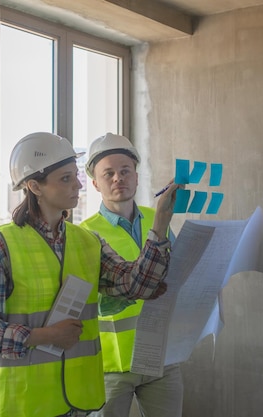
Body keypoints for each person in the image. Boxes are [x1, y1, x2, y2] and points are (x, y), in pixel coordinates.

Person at [0, 132, 181, 417]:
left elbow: (135, 285)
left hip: (76, 402)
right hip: (23, 403)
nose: (79, 185)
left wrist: (160, 223)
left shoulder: (88, 242)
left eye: (76, 176)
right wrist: (45, 335)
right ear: (35, 186)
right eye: (66, 179)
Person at [80, 133, 183, 417]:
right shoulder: (86, 234)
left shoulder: (157, 218)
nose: (118, 178)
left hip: (162, 355)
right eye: (108, 173)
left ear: (136, 177)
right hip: (112, 365)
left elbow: (177, 274)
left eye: (125, 171)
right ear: (95, 183)